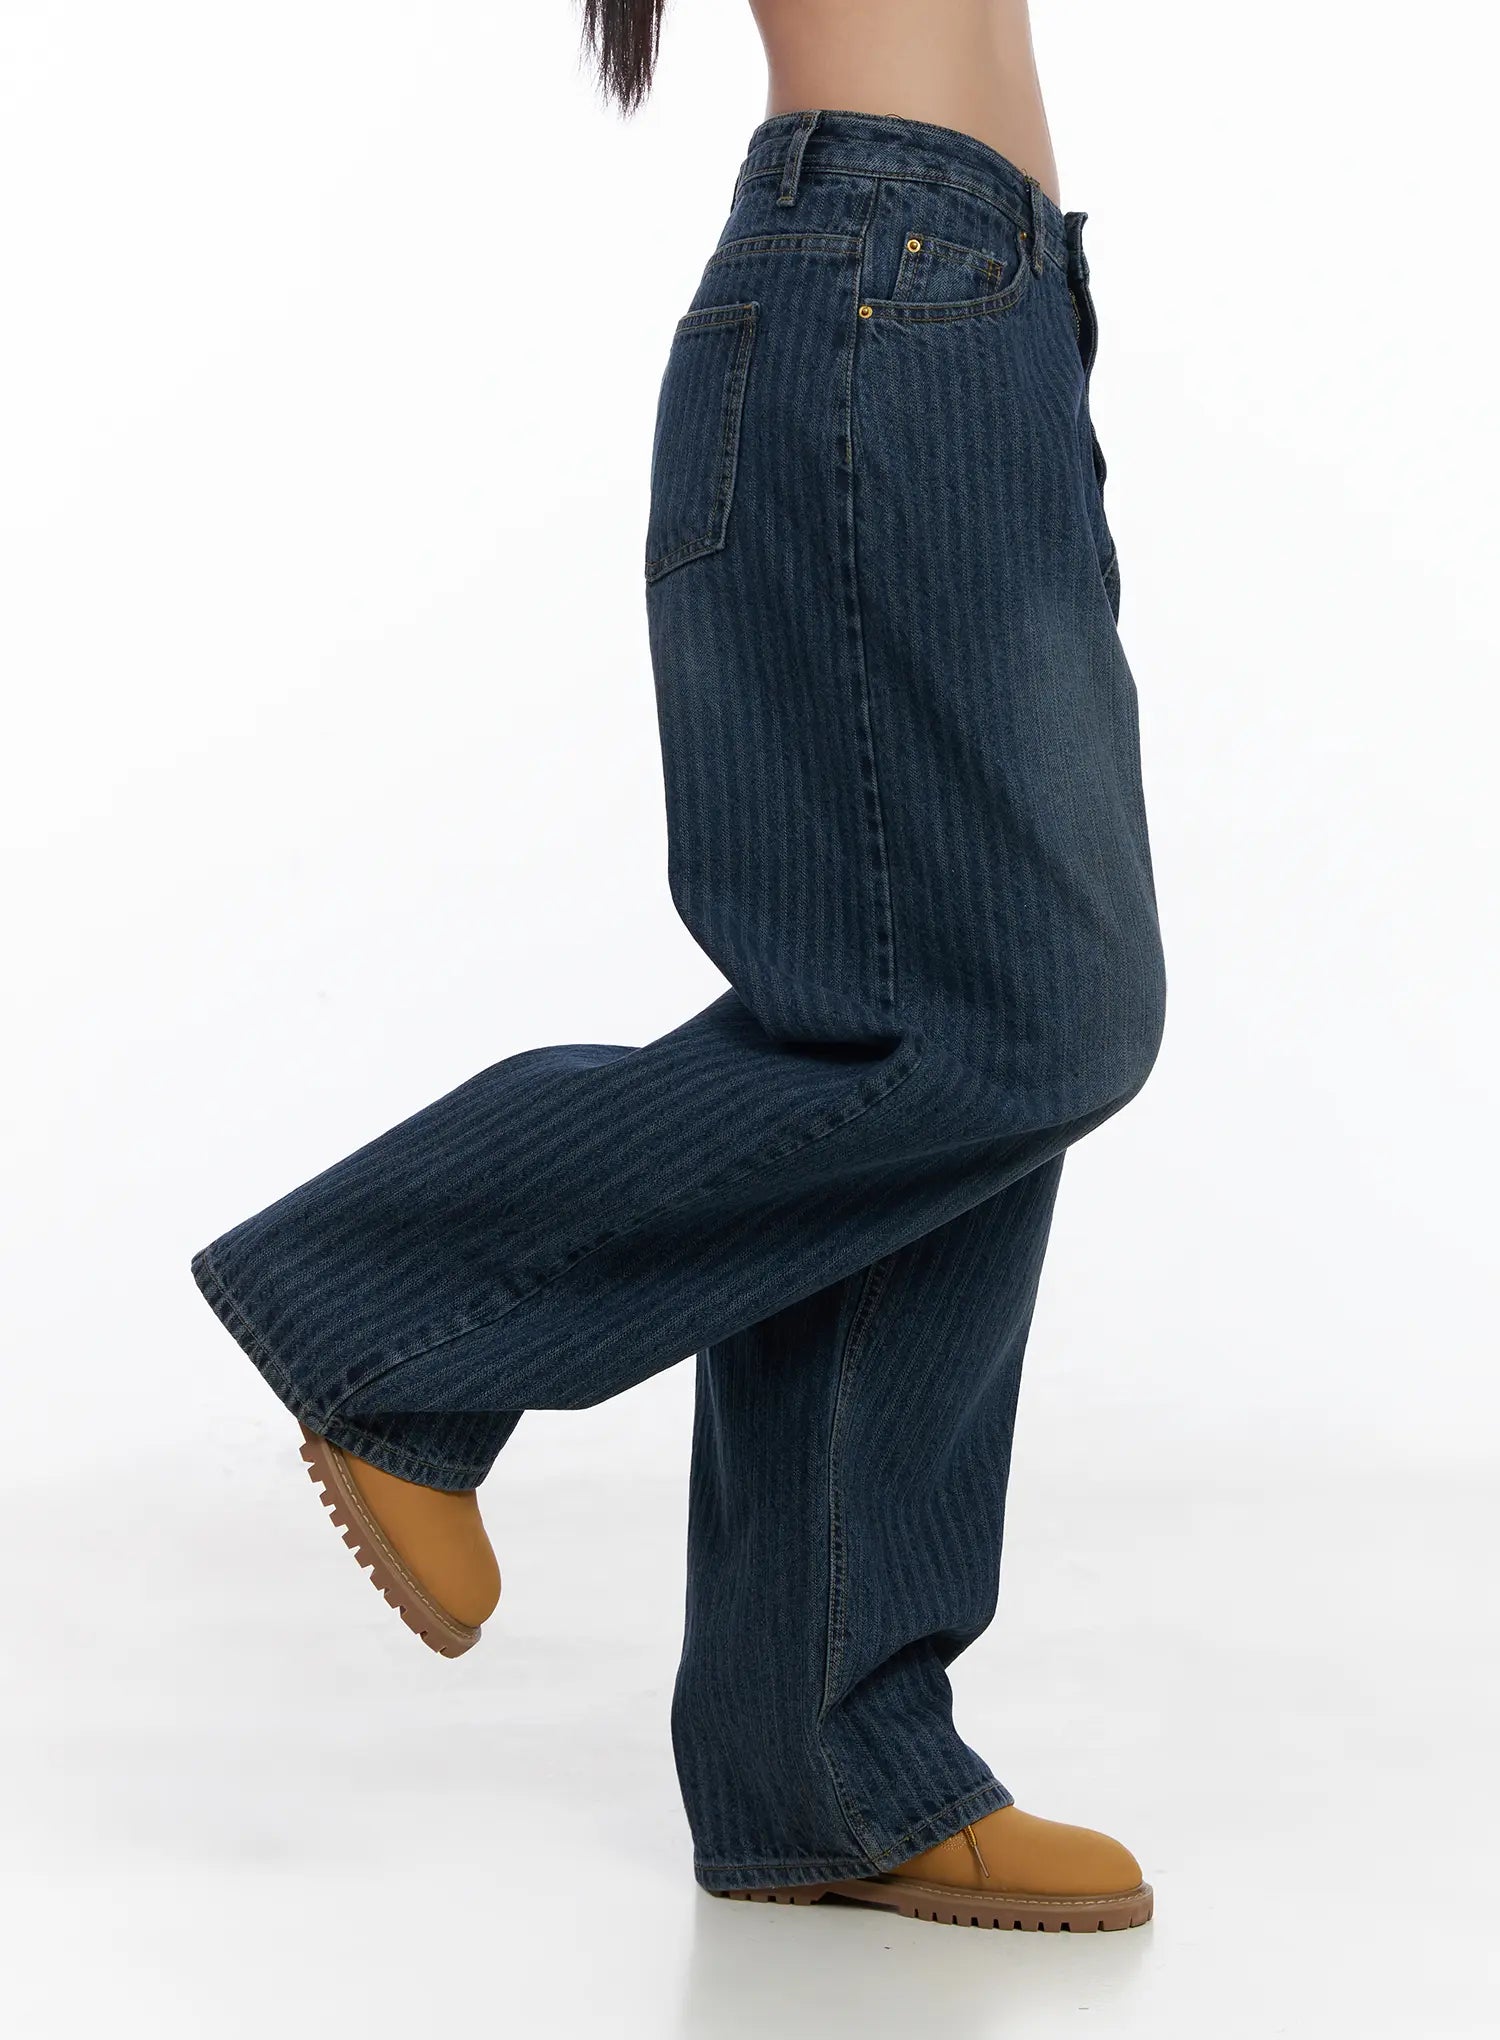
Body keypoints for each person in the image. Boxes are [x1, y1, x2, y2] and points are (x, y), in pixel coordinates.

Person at [191, 0, 1164, 1933]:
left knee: (910, 1028)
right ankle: (388, 1303)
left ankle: (831, 1760)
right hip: (895, 295)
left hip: (960, 308)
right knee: (1029, 1018)